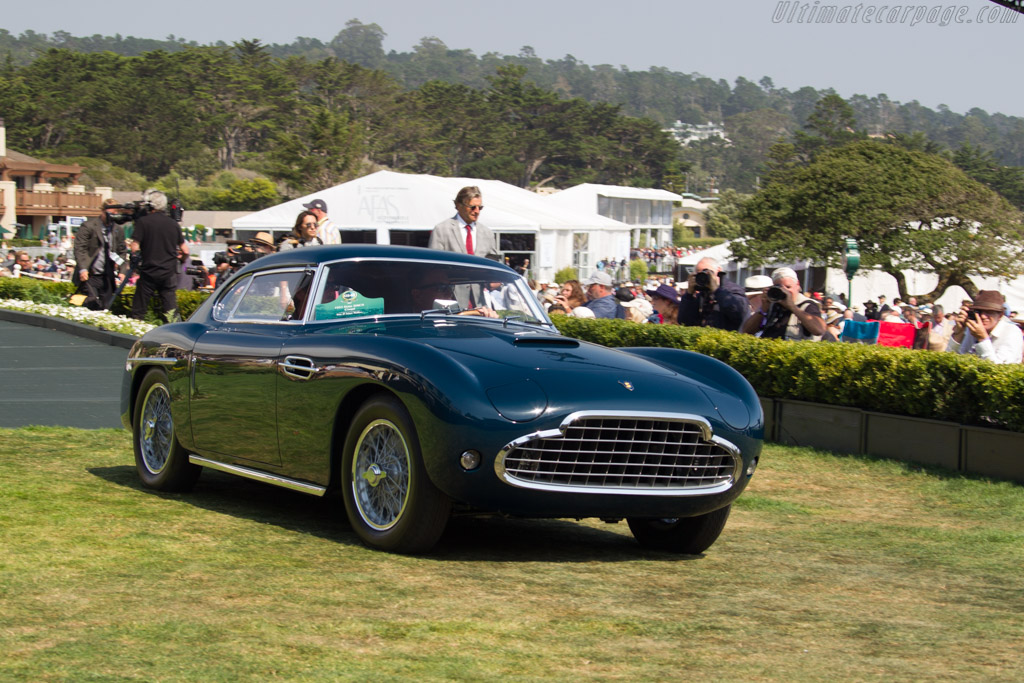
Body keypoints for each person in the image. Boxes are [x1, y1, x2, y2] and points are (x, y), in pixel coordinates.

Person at [130, 189, 187, 321]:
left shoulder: (143, 222)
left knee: (139, 310)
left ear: (150, 205)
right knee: (171, 310)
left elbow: (135, 247)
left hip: (149, 271)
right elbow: (185, 250)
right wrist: (181, 261)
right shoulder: (173, 224)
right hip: (168, 272)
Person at [741, 267, 825, 341]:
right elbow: (747, 332)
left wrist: (793, 307)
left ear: (797, 285)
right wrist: (763, 309)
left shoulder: (807, 305)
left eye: (788, 287)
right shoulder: (772, 305)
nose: (785, 291)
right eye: (779, 287)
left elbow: (819, 330)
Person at [73, 198, 128, 310]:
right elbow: (80, 249)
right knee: (91, 303)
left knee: (106, 307)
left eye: (115, 214)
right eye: (110, 214)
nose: (112, 217)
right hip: (90, 274)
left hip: (107, 276)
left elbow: (121, 252)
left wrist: (123, 270)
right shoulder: (88, 226)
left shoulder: (117, 230)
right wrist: (83, 269)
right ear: (103, 211)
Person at [949, 291, 1023, 364]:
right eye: (979, 312)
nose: (983, 316)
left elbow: (999, 370)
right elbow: (950, 361)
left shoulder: (1012, 332)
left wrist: (982, 339)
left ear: (1000, 315)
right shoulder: (971, 329)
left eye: (989, 312)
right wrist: (958, 333)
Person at [677, 256, 749, 331]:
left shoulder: (733, 290)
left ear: (719, 270)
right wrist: (689, 295)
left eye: (708, 272)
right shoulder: (702, 294)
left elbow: (740, 314)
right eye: (699, 274)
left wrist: (717, 291)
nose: (704, 276)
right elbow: (684, 322)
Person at [429, 186, 499, 259]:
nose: (477, 211)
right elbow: (434, 261)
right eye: (473, 207)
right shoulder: (441, 230)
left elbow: (493, 261)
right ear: (459, 206)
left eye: (480, 207)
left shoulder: (487, 233)